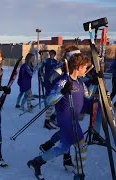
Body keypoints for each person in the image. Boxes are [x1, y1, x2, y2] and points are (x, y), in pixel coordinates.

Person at [27, 51, 96, 180]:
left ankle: (37, 162)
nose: (87, 70)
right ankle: (79, 176)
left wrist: (95, 83)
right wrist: (63, 92)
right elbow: (49, 100)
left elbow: (88, 95)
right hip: (66, 121)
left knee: (63, 148)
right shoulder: (64, 81)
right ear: (79, 67)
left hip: (73, 121)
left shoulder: (80, 82)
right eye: (85, 67)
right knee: (82, 147)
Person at [39, 50, 61, 129]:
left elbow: (58, 71)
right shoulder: (46, 61)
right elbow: (41, 69)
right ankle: (47, 119)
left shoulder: (56, 62)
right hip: (47, 80)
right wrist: (41, 74)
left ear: (54, 55)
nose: (51, 55)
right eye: (50, 54)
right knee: (49, 97)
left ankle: (51, 117)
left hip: (54, 81)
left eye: (53, 54)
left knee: (55, 99)